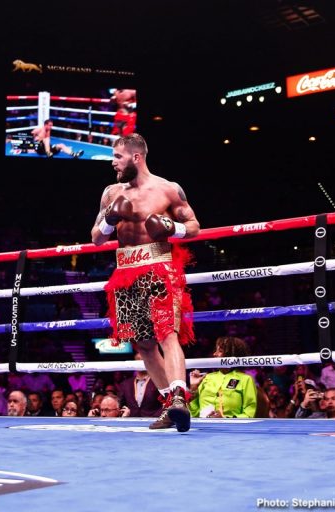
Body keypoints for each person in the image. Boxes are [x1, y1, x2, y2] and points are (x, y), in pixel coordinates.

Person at [90, 132, 200, 432]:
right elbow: (96, 238)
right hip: (125, 269)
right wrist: (110, 220)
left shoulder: (167, 189)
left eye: (118, 157)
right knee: (145, 343)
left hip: (159, 266)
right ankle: (170, 406)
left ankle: (179, 397)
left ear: (136, 157)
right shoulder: (111, 193)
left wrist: (172, 228)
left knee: (167, 333)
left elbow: (193, 227)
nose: (113, 163)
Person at [188, 337, 258, 419]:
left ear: (231, 355)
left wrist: (225, 419)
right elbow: (194, 414)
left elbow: (249, 414)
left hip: (232, 429)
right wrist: (193, 388)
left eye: (220, 351)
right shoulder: (206, 378)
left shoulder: (246, 379)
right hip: (202, 427)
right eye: (216, 350)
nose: (214, 354)